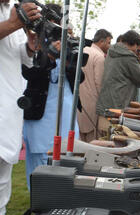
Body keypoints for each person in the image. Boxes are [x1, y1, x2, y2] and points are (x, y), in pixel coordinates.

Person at [22, 3, 82, 189]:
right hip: (41, 116)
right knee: (40, 163)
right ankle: (39, 207)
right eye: (55, 22)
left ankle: (61, 203)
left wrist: (68, 61)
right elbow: (28, 74)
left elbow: (80, 77)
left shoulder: (66, 42)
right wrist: (49, 56)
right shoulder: (31, 41)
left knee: (68, 160)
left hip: (66, 114)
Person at [0, 0, 40, 215]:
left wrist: (30, 46)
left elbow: (22, 58)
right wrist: (16, 23)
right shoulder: (14, 16)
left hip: (10, 101)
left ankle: (0, 212)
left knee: (4, 162)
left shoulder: (9, 9)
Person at [96, 30, 140, 137]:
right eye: (138, 50)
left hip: (106, 107)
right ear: (133, 44)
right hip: (117, 109)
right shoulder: (128, 57)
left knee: (104, 140)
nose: (138, 53)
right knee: (115, 143)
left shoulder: (112, 52)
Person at [78, 29, 112, 142]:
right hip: (92, 103)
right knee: (91, 140)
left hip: (77, 101)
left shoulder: (82, 50)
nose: (109, 46)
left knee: (79, 137)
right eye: (108, 42)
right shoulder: (99, 57)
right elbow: (100, 84)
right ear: (101, 41)